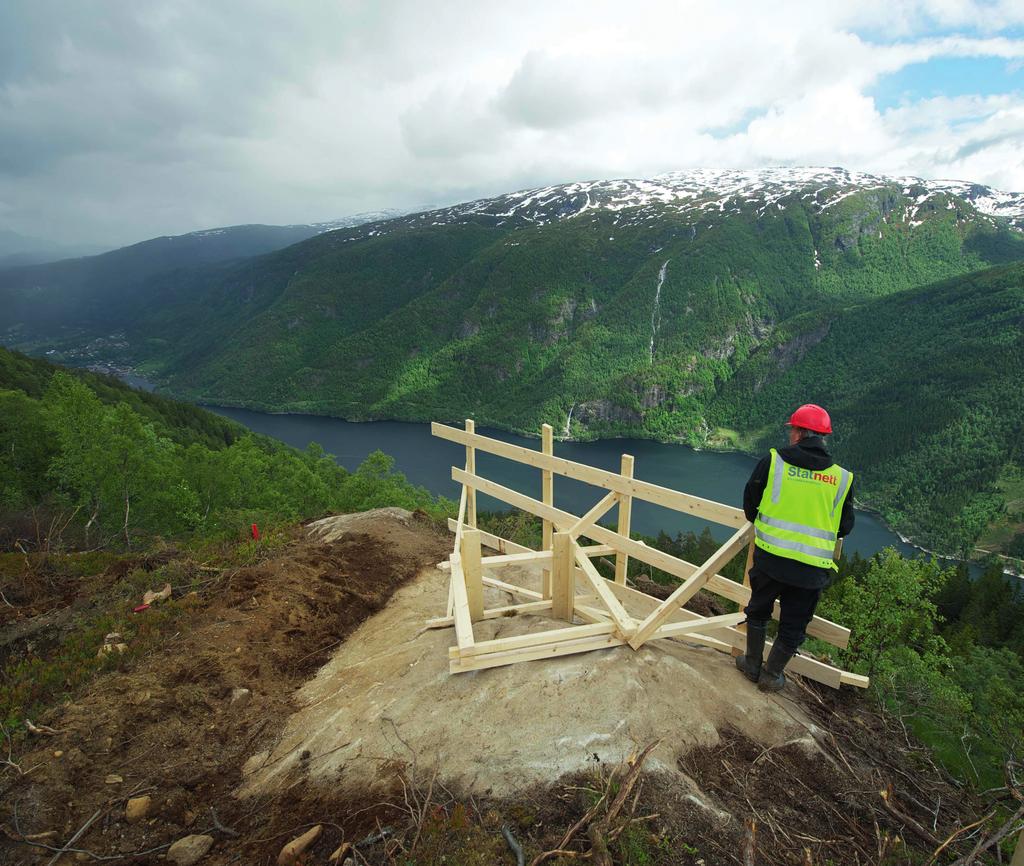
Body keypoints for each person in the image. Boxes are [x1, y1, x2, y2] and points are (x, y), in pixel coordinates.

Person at [735, 404, 854, 692]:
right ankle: (771, 676)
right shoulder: (841, 478)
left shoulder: (773, 461)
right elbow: (845, 526)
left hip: (770, 559)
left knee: (759, 610)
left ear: (799, 433)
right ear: (822, 437)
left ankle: (752, 664)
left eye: (792, 430)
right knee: (793, 625)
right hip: (811, 570)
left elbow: (750, 503)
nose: (790, 435)